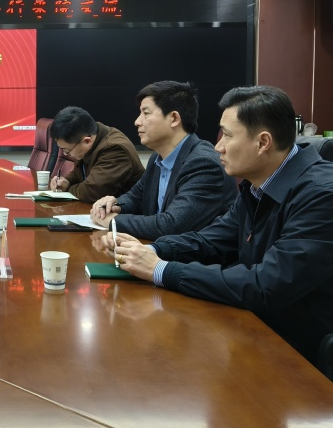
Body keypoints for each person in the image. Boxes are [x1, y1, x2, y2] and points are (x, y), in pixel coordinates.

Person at [101, 86, 333, 366]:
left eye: (228, 135)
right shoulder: (257, 186)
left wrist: (162, 270)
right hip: (255, 333)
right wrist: (151, 250)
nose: (218, 147)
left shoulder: (322, 194)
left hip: (301, 357)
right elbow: (211, 241)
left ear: (263, 142)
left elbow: (266, 285)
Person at [90, 81, 237, 239]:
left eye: (146, 113)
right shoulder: (157, 158)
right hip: (157, 248)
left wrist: (114, 221)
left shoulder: (203, 163)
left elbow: (172, 225)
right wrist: (114, 204)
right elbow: (135, 198)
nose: (137, 121)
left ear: (174, 118)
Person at [48, 106, 143, 203]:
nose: (65, 154)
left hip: (123, 210)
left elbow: (92, 192)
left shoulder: (114, 150)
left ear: (87, 141)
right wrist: (67, 181)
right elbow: (79, 172)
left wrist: (68, 188)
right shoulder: (87, 138)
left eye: (67, 151)